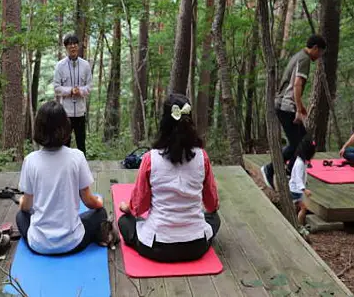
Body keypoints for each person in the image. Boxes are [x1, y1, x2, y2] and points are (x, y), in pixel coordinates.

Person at [117, 93, 220, 263]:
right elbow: (211, 204)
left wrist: (126, 208)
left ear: (164, 122)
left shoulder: (150, 158)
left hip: (157, 246)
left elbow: (139, 205)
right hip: (196, 246)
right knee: (214, 218)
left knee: (124, 222)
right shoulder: (203, 157)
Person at [16, 101, 107, 255]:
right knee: (101, 213)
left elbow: (26, 206)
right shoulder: (77, 157)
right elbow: (89, 201)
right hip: (73, 243)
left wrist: (21, 202)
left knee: (20, 216)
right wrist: (100, 202)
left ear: (38, 128)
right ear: (66, 127)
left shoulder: (30, 160)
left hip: (39, 244)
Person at [261, 34, 327, 190]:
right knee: (303, 144)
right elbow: (297, 85)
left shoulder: (299, 56)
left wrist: (301, 106)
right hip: (287, 106)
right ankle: (270, 169)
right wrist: (298, 108)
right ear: (315, 48)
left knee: (303, 143)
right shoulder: (304, 59)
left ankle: (290, 170)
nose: (319, 57)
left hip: (285, 104)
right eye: (320, 53)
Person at [53, 35, 92, 155]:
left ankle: (82, 170)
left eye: (75, 44)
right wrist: (70, 91)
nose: (73, 46)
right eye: (70, 44)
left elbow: (89, 87)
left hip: (80, 111)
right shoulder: (60, 65)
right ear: (66, 47)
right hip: (66, 112)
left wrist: (80, 91)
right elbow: (56, 87)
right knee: (65, 143)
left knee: (81, 143)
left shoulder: (85, 65)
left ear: (78, 46)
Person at [289, 135, 316, 225]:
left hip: (296, 189)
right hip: (295, 190)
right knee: (304, 208)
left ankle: (297, 222)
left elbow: (301, 176)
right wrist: (304, 190)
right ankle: (299, 226)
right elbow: (298, 178)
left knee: (298, 207)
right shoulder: (300, 163)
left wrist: (305, 182)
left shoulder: (301, 161)